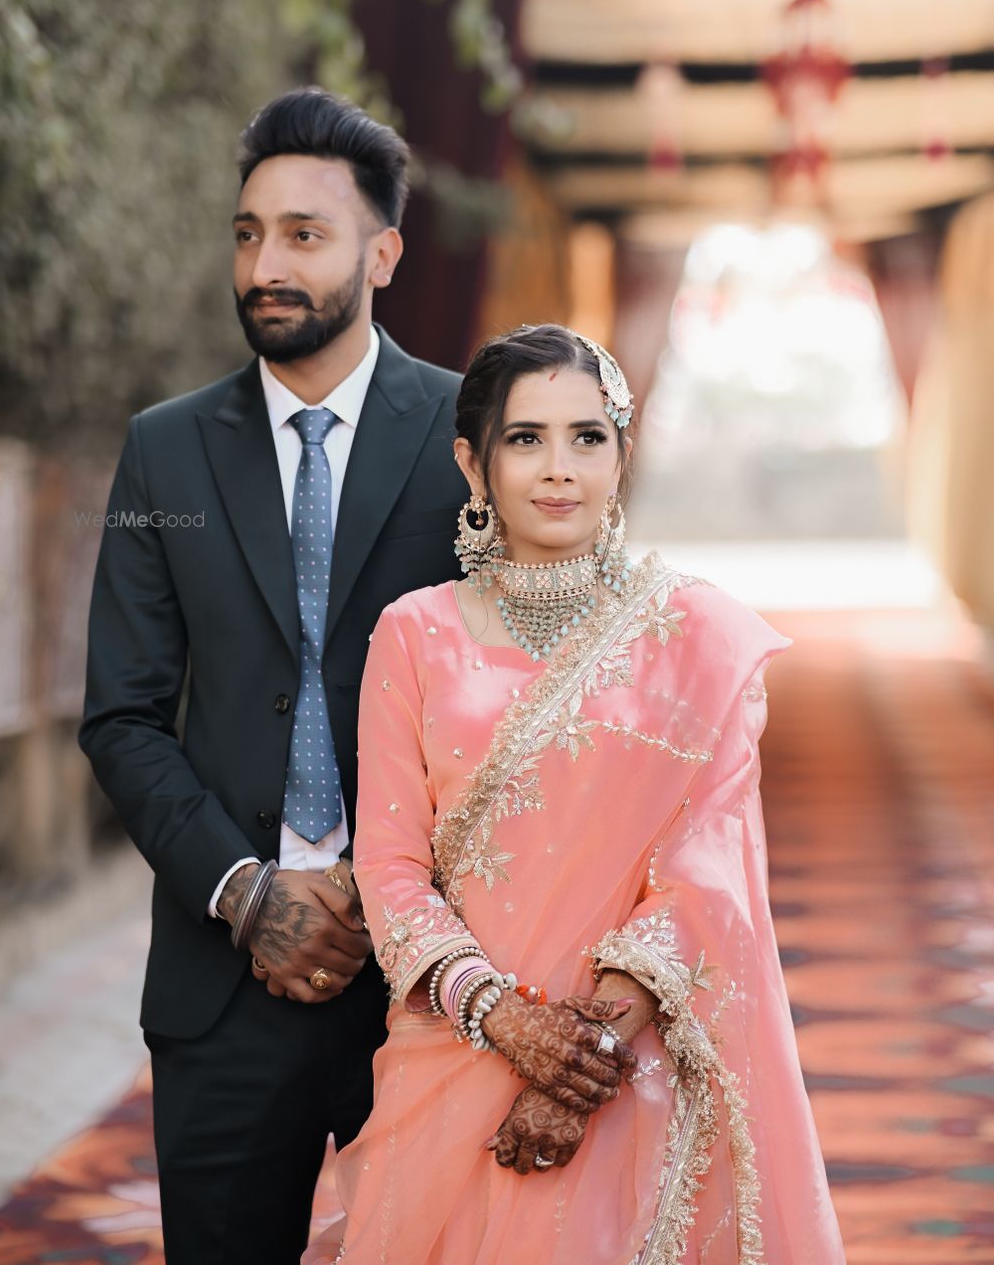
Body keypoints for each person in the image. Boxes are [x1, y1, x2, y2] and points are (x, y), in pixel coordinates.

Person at [307, 323, 846, 1265]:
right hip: (457, 1049)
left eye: (587, 437)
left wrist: (576, 1068)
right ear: (473, 462)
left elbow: (707, 867)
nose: (559, 469)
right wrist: (501, 1016)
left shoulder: (695, 635)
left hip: (631, 1063)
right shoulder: (415, 633)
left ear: (622, 455)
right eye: (527, 439)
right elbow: (391, 865)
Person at [79, 88, 465, 1265]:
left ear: (381, 252)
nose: (265, 264)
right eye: (248, 233)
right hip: (223, 972)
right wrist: (250, 894)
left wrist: (381, 889)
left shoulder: (471, 433)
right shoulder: (166, 449)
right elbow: (124, 715)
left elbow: (521, 709)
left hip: (431, 972)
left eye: (304, 234)